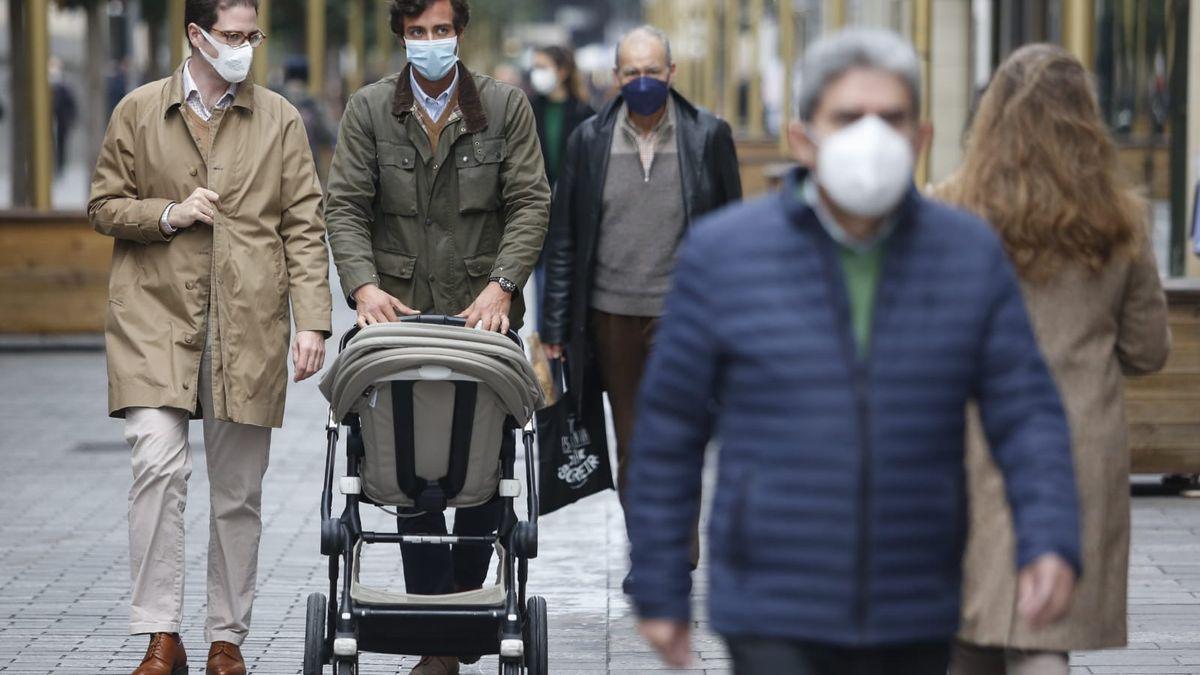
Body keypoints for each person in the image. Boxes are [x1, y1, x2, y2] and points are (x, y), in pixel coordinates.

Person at [623, 28, 1082, 675]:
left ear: (920, 139)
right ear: (802, 137)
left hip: (915, 597)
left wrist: (1050, 537)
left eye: (891, 118)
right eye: (848, 117)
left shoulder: (966, 254)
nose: (871, 135)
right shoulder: (726, 255)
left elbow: (1026, 409)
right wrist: (660, 582)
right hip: (773, 600)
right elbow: (669, 428)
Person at [89, 1, 331, 674]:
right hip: (153, 318)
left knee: (237, 491)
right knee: (157, 464)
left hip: (248, 322)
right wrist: (168, 213)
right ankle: (160, 632)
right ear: (195, 35)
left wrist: (312, 318)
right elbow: (104, 204)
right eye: (231, 35)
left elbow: (305, 224)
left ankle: (226, 637)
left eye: (251, 35)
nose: (245, 46)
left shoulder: (280, 118)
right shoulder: (138, 110)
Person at [324, 1, 549, 673]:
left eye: (441, 31)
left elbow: (531, 200)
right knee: (411, 471)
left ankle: (454, 628)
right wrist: (363, 287)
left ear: (460, 33)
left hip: (482, 320)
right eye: (418, 32)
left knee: (483, 476)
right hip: (400, 321)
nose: (430, 43)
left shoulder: (505, 108)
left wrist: (503, 285)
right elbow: (344, 205)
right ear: (402, 35)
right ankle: (441, 640)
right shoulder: (369, 111)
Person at [936, 44, 1171, 675]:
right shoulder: (1120, 222)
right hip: (1079, 442)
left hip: (973, 438)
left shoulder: (949, 208)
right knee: (1044, 634)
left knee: (967, 629)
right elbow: (1148, 349)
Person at [540, 26, 741, 578]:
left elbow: (732, 235)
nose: (644, 82)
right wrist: (553, 323)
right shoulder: (589, 141)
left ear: (671, 73)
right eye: (633, 73)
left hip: (686, 318)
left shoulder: (707, 136)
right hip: (611, 317)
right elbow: (564, 238)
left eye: (654, 71)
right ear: (616, 78)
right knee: (632, 444)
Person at [528, 44, 594, 329]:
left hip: (573, 216)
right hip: (539, 217)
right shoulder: (529, 109)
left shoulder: (584, 113)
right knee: (543, 294)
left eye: (543, 67)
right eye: (535, 67)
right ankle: (546, 364)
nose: (537, 74)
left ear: (563, 71)